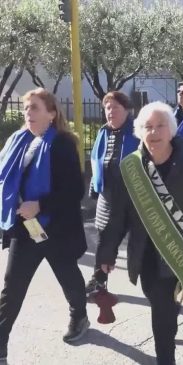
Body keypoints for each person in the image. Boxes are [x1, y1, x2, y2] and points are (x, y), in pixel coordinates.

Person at [100, 101, 183, 365]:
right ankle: (169, 325)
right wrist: (107, 252)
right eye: (148, 126)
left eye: (160, 126)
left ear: (171, 130)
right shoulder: (130, 167)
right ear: (140, 131)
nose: (154, 132)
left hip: (178, 253)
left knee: (163, 315)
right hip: (145, 255)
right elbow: (118, 217)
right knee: (161, 305)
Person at [0, 88, 89, 362]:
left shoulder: (61, 143)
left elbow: (74, 190)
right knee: (12, 288)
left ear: (51, 113)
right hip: (26, 230)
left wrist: (40, 206)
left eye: (35, 108)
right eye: (26, 108)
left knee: (68, 276)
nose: (28, 113)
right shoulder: (19, 141)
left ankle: (79, 316)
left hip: (55, 228)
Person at [86, 91, 139, 294]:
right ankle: (98, 281)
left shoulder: (137, 131)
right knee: (104, 240)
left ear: (127, 110)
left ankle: (162, 279)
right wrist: (94, 186)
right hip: (108, 196)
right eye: (107, 108)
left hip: (134, 197)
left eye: (115, 107)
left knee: (142, 243)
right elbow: (96, 161)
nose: (110, 112)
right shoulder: (103, 132)